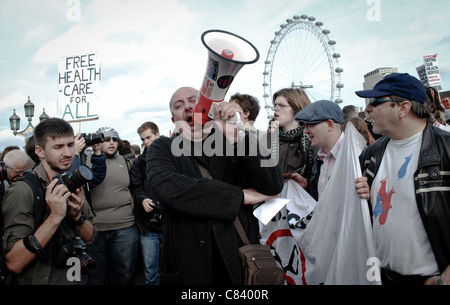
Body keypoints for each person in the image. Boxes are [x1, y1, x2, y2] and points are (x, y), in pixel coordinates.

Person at [146, 86, 283, 285]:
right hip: (188, 266)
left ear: (208, 106)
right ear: (173, 120)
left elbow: (272, 184)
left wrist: (238, 137)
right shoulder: (163, 147)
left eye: (194, 100)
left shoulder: (232, 140)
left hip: (237, 258)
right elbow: (168, 187)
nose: (188, 107)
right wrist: (240, 196)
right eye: (179, 105)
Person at [355, 72, 450, 285]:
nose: (368, 108)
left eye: (375, 102)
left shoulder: (446, 150)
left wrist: (444, 280)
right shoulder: (371, 154)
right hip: (382, 276)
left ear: (403, 108)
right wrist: (363, 194)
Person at [1, 118, 97, 285]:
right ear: (40, 151)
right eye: (58, 147)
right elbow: (14, 263)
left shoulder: (72, 183)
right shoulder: (23, 191)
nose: (67, 153)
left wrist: (78, 218)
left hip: (74, 278)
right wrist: (54, 217)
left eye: (70, 144)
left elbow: (91, 237)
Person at [85, 127, 138, 285]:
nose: (111, 143)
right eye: (106, 139)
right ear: (98, 142)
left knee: (125, 275)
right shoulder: (87, 161)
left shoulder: (126, 162)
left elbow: (135, 188)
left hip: (125, 227)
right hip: (95, 229)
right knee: (97, 277)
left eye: (115, 139)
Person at [130, 121, 162, 285]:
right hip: (148, 225)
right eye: (143, 139)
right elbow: (136, 186)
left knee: (175, 268)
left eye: (148, 137)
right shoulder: (139, 163)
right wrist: (142, 199)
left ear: (157, 134)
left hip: (171, 223)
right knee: (151, 271)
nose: (145, 142)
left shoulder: (173, 156)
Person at [294, 100, 345, 201]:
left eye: (310, 124)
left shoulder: (357, 156)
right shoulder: (318, 160)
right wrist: (307, 184)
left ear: (330, 125)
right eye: (304, 126)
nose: (305, 131)